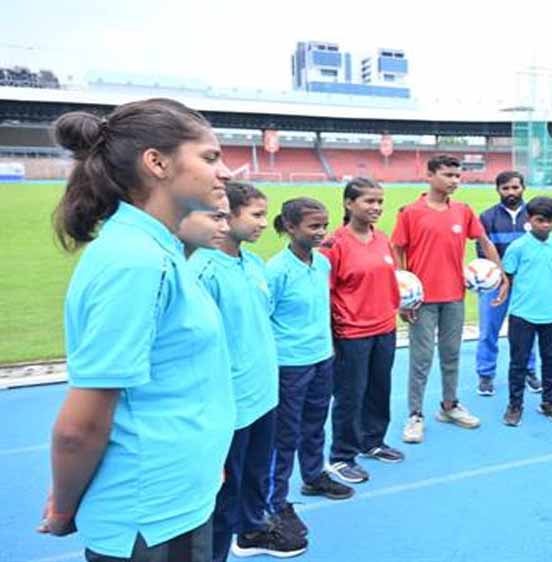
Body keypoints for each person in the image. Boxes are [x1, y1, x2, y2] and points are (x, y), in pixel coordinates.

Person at [39, 99, 236, 561]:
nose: (225, 172)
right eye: (210, 157)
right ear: (157, 163)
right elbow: (80, 426)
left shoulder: (160, 250)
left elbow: (180, 376)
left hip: (178, 496)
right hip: (149, 515)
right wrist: (64, 508)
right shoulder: (135, 261)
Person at [188, 182, 306, 559]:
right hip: (230, 403)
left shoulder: (254, 264)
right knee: (225, 491)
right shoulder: (203, 270)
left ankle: (253, 530)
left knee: (257, 473)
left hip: (263, 393)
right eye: (256, 215)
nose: (264, 223)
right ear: (227, 216)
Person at [391, 154, 508, 444]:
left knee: (451, 355)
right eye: (448, 175)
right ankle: (415, 415)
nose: (454, 180)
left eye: (457, 176)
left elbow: (484, 242)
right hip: (421, 301)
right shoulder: (411, 212)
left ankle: (449, 406)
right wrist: (403, 295)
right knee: (421, 359)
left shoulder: (463, 211)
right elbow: (398, 250)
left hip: (454, 296)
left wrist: (501, 274)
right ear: (429, 176)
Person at [266, 197, 353, 540]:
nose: (321, 232)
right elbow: (263, 318)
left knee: (315, 424)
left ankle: (314, 476)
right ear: (290, 227)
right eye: (313, 226)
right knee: (285, 434)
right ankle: (275, 502)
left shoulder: (322, 264)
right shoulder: (276, 271)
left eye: (324, 225)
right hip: (289, 364)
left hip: (321, 358)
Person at [319, 178, 406, 487]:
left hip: (385, 327)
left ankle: (373, 441)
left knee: (379, 389)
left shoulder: (381, 238)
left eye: (380, 201)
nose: (377, 207)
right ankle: (342, 456)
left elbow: (390, 280)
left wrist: (402, 304)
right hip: (351, 333)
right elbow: (324, 294)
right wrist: (330, 336)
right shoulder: (334, 245)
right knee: (349, 395)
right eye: (369, 201)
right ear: (348, 203)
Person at [501, 196, 552, 426]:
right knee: (518, 362)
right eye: (540, 220)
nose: (546, 225)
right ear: (529, 219)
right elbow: (508, 276)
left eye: (550, 220)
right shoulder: (517, 248)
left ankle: (548, 402)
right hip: (522, 315)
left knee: (551, 361)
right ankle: (515, 405)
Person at [475, 170, 540, 396]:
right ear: (498, 190)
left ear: (523, 188)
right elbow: (483, 251)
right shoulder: (487, 217)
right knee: (488, 330)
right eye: (505, 188)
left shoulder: (534, 215)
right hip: (495, 284)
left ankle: (529, 370)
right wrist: (500, 276)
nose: (511, 192)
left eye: (515, 187)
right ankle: (486, 374)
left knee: (528, 330)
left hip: (526, 285)